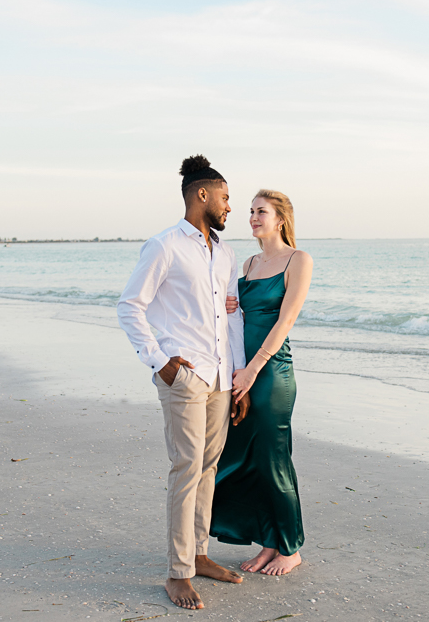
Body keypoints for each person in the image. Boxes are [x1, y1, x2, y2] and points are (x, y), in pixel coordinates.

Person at [117, 155, 250, 610]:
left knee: (209, 467)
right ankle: (178, 573)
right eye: (226, 198)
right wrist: (158, 362)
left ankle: (199, 554)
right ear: (202, 195)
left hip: (219, 377)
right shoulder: (164, 246)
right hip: (185, 376)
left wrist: (239, 377)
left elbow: (232, 318)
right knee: (186, 467)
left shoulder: (226, 254)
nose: (230, 207)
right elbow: (129, 306)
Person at [210, 189, 313, 576]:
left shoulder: (298, 260)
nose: (253, 217)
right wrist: (229, 306)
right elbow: (237, 318)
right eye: (251, 211)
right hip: (241, 372)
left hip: (271, 375)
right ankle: (269, 542)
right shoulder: (250, 264)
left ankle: (291, 547)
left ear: (280, 218)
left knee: (275, 459)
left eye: (261, 212)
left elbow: (285, 321)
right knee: (249, 459)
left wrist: (253, 370)